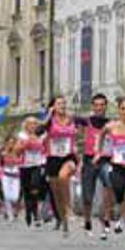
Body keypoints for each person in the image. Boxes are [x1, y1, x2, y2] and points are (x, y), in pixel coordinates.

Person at [96, 97, 125, 250]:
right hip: (117, 166)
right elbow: (101, 134)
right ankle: (119, 212)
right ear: (118, 110)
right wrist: (99, 151)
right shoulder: (112, 126)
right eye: (123, 108)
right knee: (118, 188)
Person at [43, 96, 80, 236]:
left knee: (63, 176)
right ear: (53, 106)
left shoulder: (72, 118)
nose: (62, 105)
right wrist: (48, 114)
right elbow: (40, 129)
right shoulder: (49, 121)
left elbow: (89, 124)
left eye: (64, 103)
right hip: (53, 158)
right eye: (59, 103)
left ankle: (69, 208)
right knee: (57, 195)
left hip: (68, 156)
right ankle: (64, 222)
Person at [80, 93, 114, 239]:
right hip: (89, 160)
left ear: (106, 106)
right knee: (88, 195)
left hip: (106, 160)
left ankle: (106, 217)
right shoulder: (86, 121)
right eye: (96, 105)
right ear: (93, 107)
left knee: (110, 183)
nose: (99, 108)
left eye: (102, 105)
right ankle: (87, 221)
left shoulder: (112, 123)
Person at [19, 116, 46, 227]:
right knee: (26, 191)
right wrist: (28, 141)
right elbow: (18, 149)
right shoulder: (22, 136)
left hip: (37, 165)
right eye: (30, 123)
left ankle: (35, 214)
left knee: (34, 188)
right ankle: (28, 212)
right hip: (25, 165)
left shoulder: (42, 136)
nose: (33, 126)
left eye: (35, 123)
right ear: (26, 125)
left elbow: (45, 148)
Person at [0, 135, 23, 221]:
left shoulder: (18, 153)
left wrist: (15, 158)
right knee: (6, 196)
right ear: (6, 143)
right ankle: (9, 214)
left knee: (15, 197)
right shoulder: (3, 153)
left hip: (15, 176)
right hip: (6, 175)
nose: (11, 144)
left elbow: (22, 162)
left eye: (13, 143)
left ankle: (11, 210)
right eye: (9, 142)